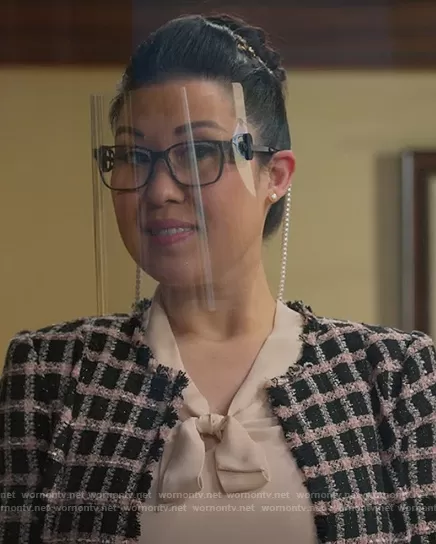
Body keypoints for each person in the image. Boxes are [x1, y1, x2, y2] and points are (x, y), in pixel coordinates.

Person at [1, 13, 436, 544]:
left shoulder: (390, 374)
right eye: (134, 156)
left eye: (200, 152)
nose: (158, 190)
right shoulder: (52, 371)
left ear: (275, 175)